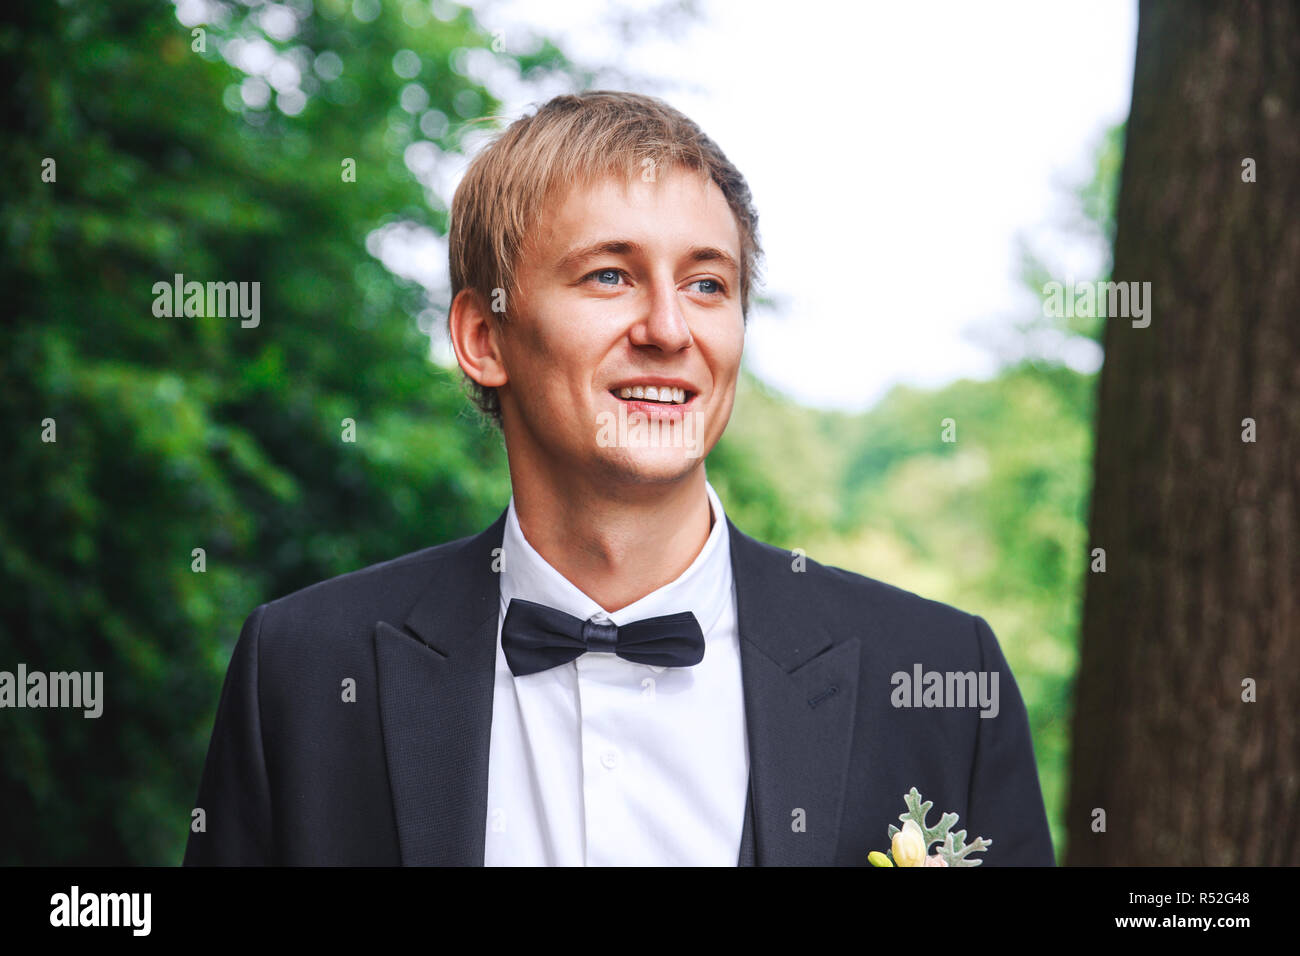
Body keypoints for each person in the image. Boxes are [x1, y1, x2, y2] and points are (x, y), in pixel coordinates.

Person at [184, 90, 1054, 866]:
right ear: (484, 338)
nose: (670, 328)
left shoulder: (941, 676)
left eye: (708, 284)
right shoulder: (298, 673)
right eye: (611, 275)